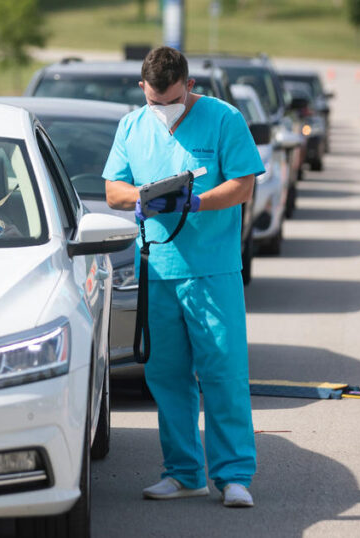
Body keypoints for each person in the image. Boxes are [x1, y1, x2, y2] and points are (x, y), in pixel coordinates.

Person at [102, 46, 264, 508]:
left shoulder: (224, 119)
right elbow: (113, 188)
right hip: (157, 269)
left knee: (223, 371)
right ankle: (183, 472)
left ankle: (233, 475)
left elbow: (244, 185)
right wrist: (143, 197)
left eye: (170, 100)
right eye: (154, 101)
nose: (162, 110)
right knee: (167, 375)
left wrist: (194, 202)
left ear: (189, 87)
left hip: (212, 271)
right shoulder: (132, 126)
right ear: (142, 90)